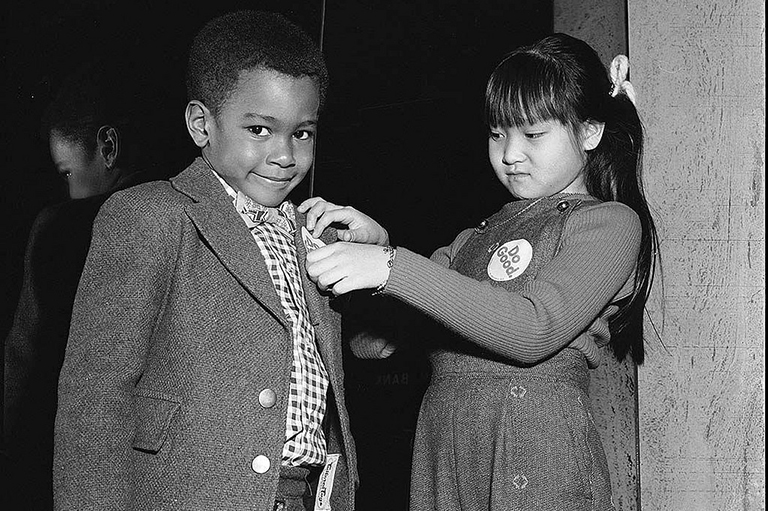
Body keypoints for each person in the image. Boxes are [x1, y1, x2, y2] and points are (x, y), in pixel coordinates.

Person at [301, 33, 660, 510]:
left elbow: (532, 329)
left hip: (537, 458)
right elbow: (372, 344)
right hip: (446, 459)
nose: (510, 154)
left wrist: (389, 265)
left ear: (590, 132)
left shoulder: (609, 223)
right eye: (497, 134)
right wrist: (362, 248)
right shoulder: (472, 239)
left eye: (533, 135)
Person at [52, 11, 386, 511]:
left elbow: (375, 346)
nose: (284, 156)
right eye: (258, 128)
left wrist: (380, 257)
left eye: (303, 133)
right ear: (200, 124)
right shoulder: (151, 215)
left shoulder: (313, 234)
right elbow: (94, 398)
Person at [3, 58, 169, 511]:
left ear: (108, 146)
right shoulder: (183, 219)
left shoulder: (61, 227)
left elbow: (23, 356)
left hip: (57, 453)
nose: (66, 190)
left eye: (66, 174)